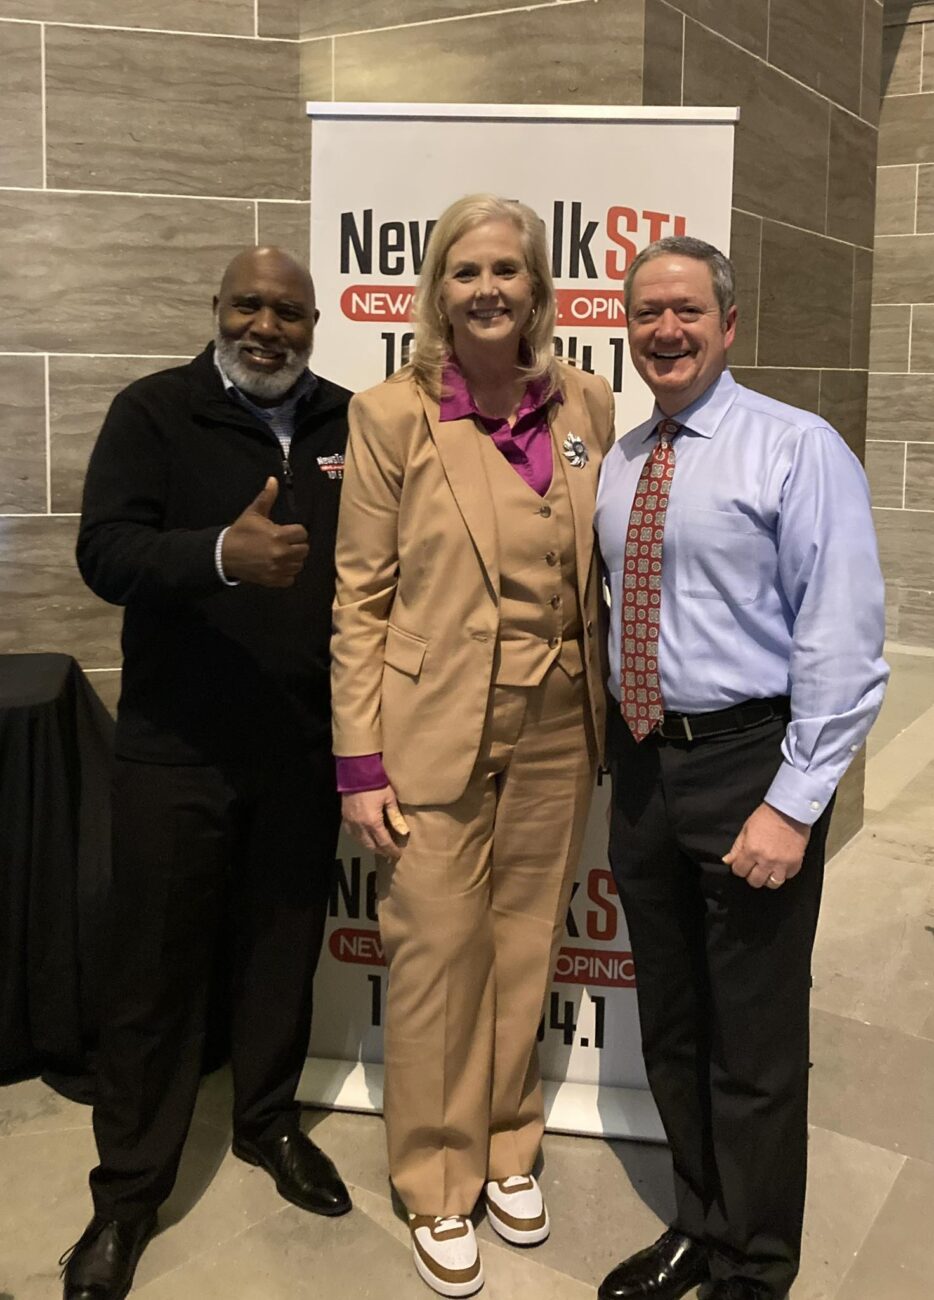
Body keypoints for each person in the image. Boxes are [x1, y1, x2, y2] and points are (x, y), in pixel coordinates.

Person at [331, 194, 615, 1297]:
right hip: (432, 729)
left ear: (539, 288)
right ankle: (436, 1179)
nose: (487, 289)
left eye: (507, 269)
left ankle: (506, 1141)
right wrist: (360, 760)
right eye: (465, 271)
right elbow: (361, 598)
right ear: (438, 290)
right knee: (437, 954)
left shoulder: (586, 401)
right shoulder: (389, 415)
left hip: (558, 726)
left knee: (524, 943)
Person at [594, 236, 888, 1300]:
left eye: (687, 310)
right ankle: (697, 1221)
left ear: (727, 325)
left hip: (748, 764)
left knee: (753, 1041)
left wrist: (793, 803)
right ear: (627, 329)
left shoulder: (796, 448)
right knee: (672, 1020)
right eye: (647, 312)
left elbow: (843, 646)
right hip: (643, 767)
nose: (665, 329)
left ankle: (754, 1266)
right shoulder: (623, 460)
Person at [61, 247, 353, 1300]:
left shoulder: (349, 421)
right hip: (175, 748)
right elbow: (105, 553)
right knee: (153, 972)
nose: (266, 326)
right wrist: (221, 556)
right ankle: (128, 1193)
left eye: (289, 311)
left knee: (282, 952)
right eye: (248, 306)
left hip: (303, 744)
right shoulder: (153, 411)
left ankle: (266, 1123)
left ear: (314, 321)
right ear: (216, 309)